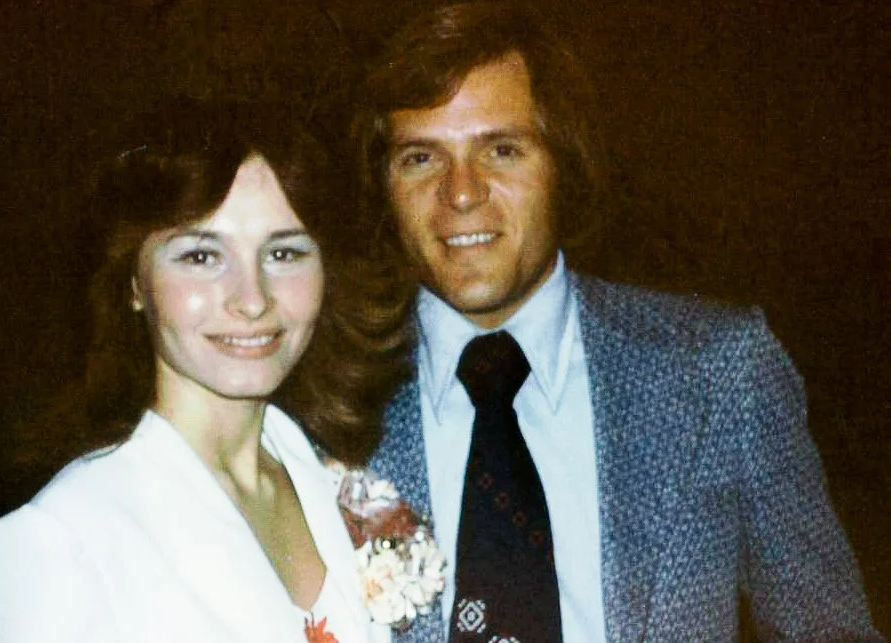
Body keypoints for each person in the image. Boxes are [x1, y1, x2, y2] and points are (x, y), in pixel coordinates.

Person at [352, 2, 883, 641]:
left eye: (502, 149)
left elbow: (829, 629)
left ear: (563, 164)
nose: (461, 192)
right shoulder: (329, 398)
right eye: (420, 158)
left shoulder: (719, 371)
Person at [0, 98, 410, 642]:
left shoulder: (323, 475)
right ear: (134, 283)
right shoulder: (64, 541)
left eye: (284, 254)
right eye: (201, 257)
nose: (252, 300)